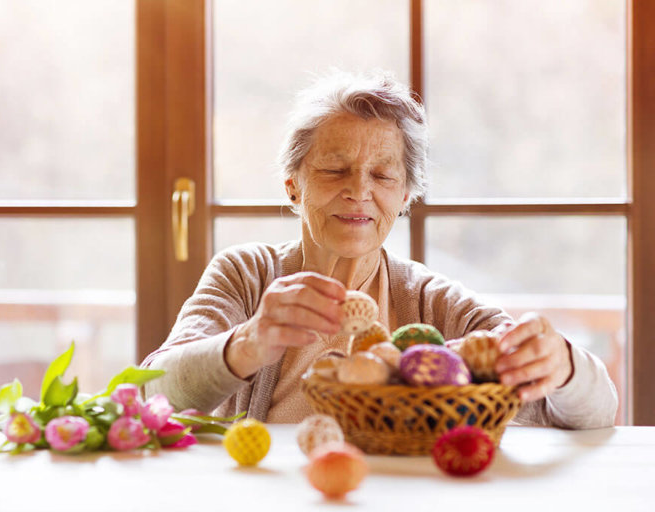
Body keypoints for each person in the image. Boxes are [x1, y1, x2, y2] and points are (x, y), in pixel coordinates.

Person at [143, 70, 618, 428]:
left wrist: (565, 364)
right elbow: (151, 391)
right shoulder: (246, 274)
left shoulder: (432, 302)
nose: (358, 191)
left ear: (406, 198)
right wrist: (247, 342)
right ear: (293, 186)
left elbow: (594, 412)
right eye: (334, 169)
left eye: (384, 175)